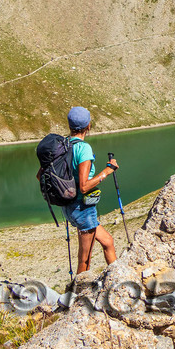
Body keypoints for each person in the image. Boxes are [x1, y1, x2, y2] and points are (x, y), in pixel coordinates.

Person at [66, 106, 119, 273]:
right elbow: (83, 186)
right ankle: (79, 295)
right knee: (85, 259)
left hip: (69, 206)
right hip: (82, 209)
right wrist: (106, 172)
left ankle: (118, 278)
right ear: (88, 126)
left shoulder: (63, 144)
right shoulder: (83, 148)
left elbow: (41, 176)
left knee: (107, 241)